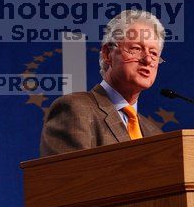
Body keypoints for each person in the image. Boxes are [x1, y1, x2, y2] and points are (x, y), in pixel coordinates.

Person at [40, 9, 165, 156]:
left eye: (154, 53)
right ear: (107, 54)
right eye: (136, 49)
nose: (148, 60)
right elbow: (69, 178)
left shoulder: (155, 133)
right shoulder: (76, 110)